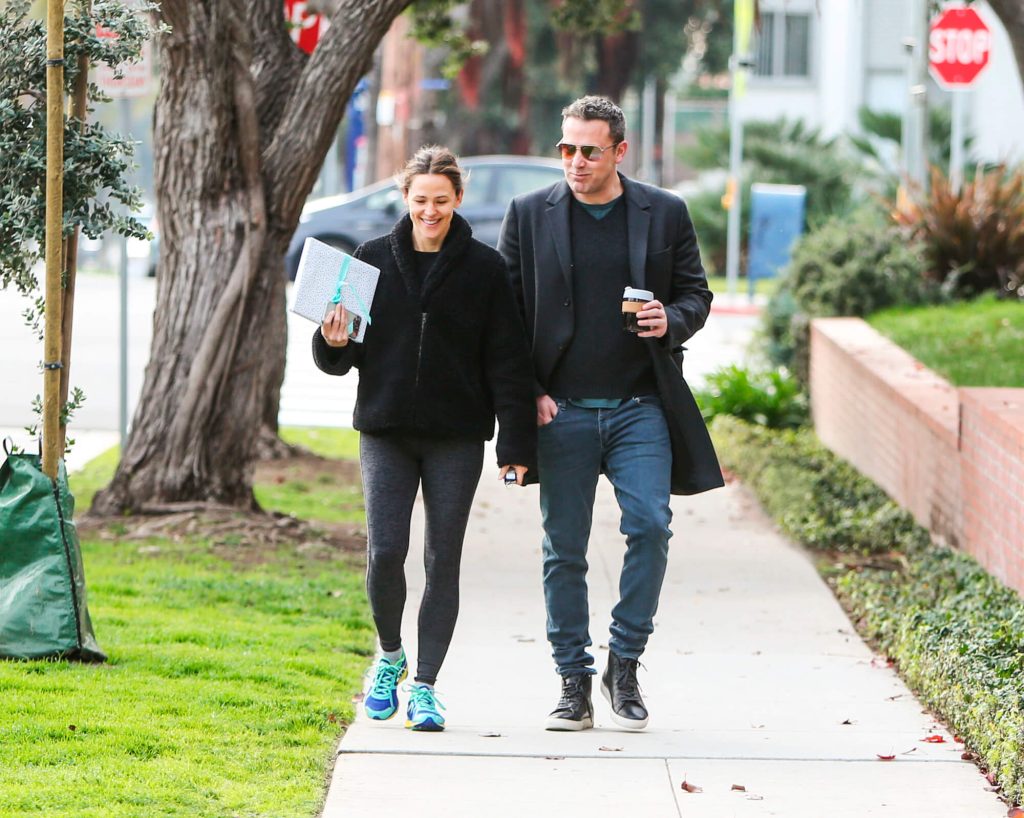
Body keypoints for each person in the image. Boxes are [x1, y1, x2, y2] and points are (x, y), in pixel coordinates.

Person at [498, 96, 723, 731]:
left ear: (620, 151)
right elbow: (506, 320)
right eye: (565, 148)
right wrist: (529, 391)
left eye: (589, 151)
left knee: (651, 525)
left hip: (640, 407)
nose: (575, 161)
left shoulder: (665, 211)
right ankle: (573, 679)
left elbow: (696, 294)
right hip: (558, 411)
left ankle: (624, 660)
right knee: (563, 550)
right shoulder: (528, 214)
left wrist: (670, 320)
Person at [313, 146, 536, 732]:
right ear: (404, 197)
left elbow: (508, 365)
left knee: (443, 559)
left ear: (458, 199)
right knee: (385, 551)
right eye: (420, 201)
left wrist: (514, 449)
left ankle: (427, 687)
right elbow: (340, 359)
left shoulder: (487, 271)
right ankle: (390, 657)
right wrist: (332, 341)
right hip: (385, 429)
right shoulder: (368, 260)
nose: (430, 211)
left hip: (456, 437)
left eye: (441, 200)